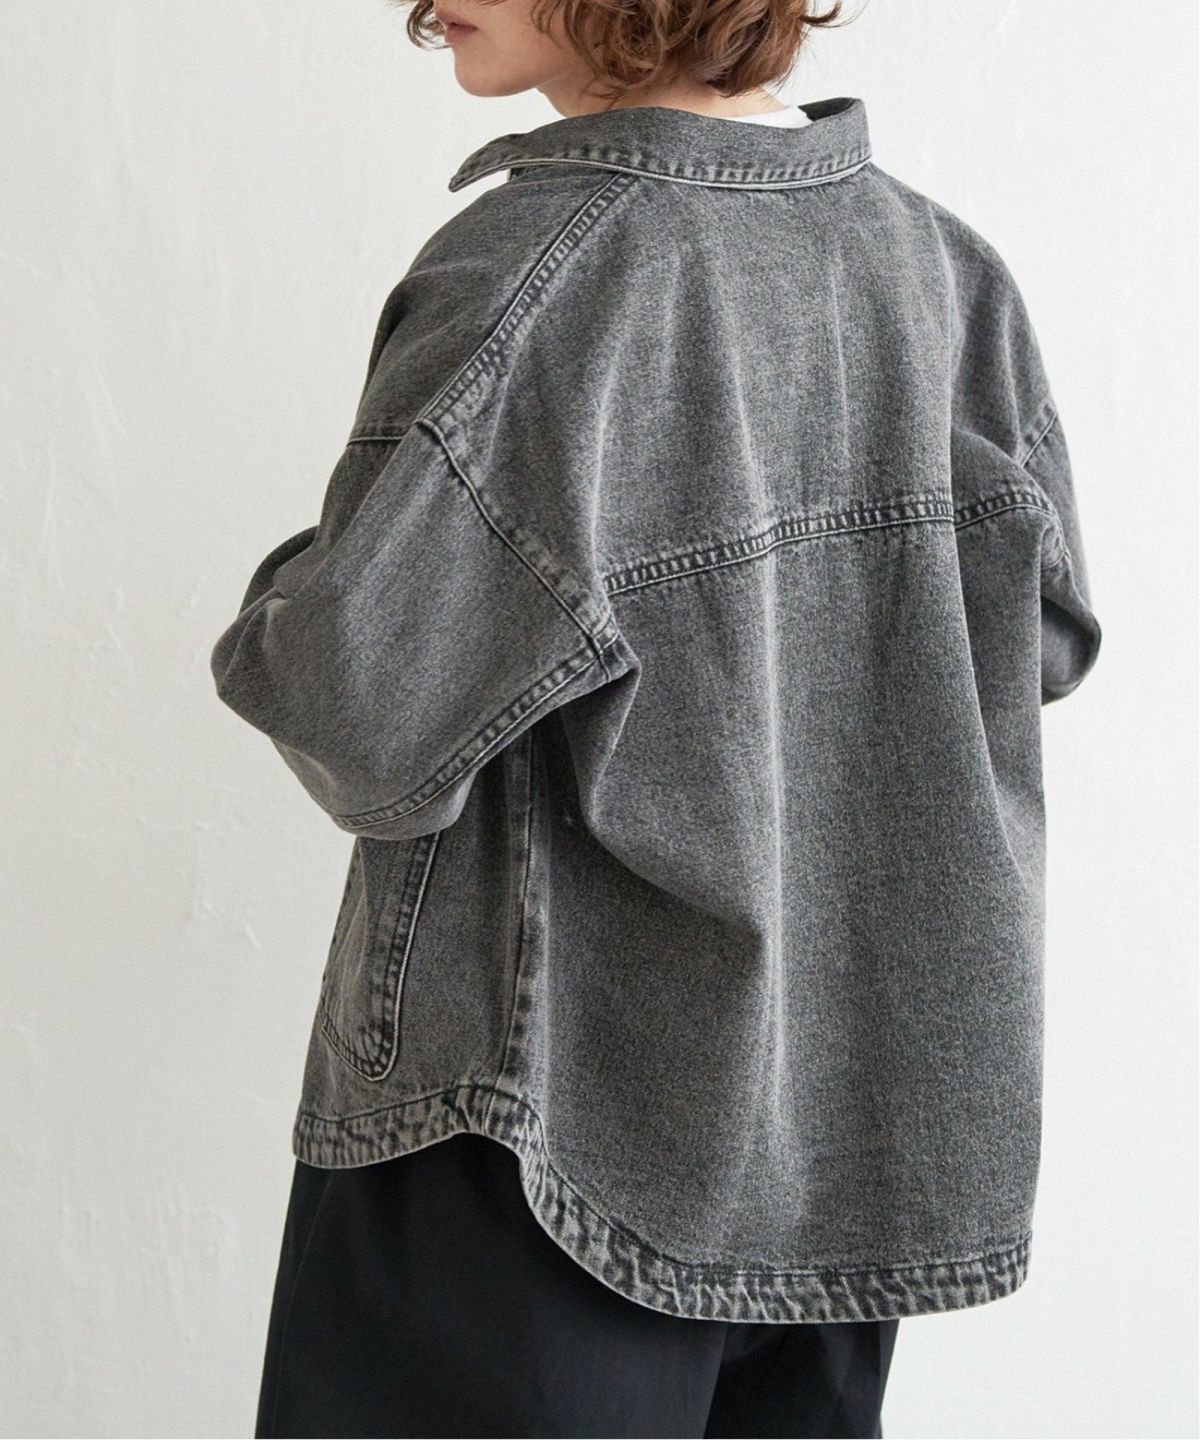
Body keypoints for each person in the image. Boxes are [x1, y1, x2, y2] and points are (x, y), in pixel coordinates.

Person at [209, 0, 1103, 1434]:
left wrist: (296, 596)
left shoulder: (543, 271)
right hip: (842, 1149)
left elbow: (357, 706)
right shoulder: (943, 271)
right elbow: (1038, 644)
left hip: (545, 1138)